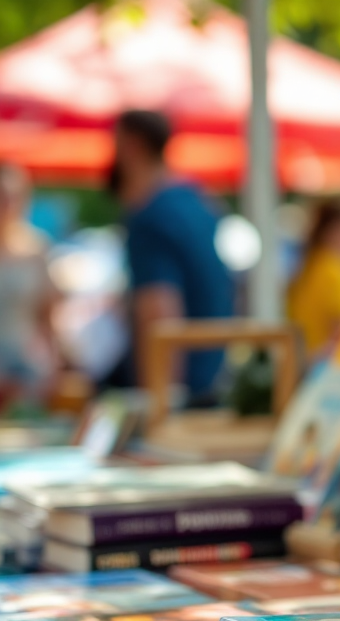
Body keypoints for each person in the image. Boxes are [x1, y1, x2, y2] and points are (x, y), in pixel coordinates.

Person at [110, 110, 233, 405]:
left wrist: (159, 406)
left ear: (133, 146)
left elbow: (160, 315)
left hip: (179, 392)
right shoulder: (198, 201)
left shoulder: (151, 215)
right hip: (211, 377)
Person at [0, 162, 58, 412]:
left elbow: (47, 315)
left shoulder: (37, 248)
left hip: (26, 374)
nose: (7, 204)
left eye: (14, 196)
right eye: (0, 195)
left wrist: (54, 365)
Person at [286, 199, 340, 358]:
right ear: (336, 229)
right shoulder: (337, 267)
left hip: (300, 358)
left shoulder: (308, 263)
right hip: (327, 362)